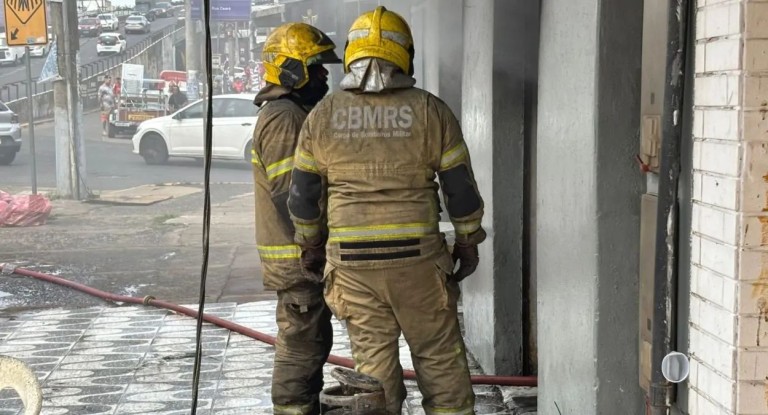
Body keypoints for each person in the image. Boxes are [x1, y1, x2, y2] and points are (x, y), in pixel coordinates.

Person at [287, 7, 485, 415]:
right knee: (440, 360)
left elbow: (303, 197)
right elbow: (460, 191)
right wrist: (467, 242)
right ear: (405, 55)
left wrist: (309, 246)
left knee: (373, 369)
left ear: (350, 56)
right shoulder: (432, 111)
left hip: (353, 268)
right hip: (419, 264)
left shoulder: (323, 116)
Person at [250, 22, 341, 415]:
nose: (324, 75)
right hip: (297, 258)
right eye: (316, 66)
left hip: (301, 255)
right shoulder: (284, 118)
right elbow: (293, 194)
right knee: (302, 346)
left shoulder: (293, 113)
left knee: (313, 341)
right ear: (291, 70)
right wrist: (313, 246)